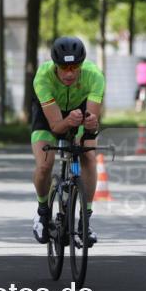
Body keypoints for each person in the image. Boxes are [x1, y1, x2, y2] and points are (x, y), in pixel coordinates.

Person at [31, 36, 104, 246]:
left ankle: (85, 222)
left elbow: (92, 123)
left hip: (80, 111)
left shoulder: (94, 76)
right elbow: (55, 127)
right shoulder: (42, 77)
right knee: (45, 165)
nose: (70, 73)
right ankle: (43, 212)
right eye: (64, 67)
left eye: (75, 67)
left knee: (89, 156)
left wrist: (90, 125)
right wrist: (66, 122)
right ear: (55, 65)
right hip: (47, 117)